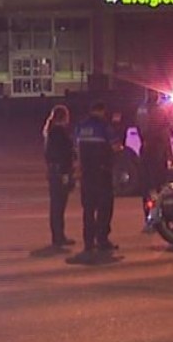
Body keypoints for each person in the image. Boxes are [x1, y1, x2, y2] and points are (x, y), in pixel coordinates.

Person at [74, 101, 120, 254]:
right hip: (102, 173)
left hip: (86, 174)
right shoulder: (104, 126)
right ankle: (102, 240)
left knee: (88, 209)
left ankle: (88, 242)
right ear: (101, 111)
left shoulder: (80, 126)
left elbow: (76, 149)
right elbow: (115, 146)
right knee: (104, 208)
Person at [135, 94, 173, 229]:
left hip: (145, 152)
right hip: (157, 153)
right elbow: (165, 134)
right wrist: (170, 153)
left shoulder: (141, 110)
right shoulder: (160, 111)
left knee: (147, 189)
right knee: (160, 188)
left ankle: (149, 219)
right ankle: (159, 218)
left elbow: (139, 128)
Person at [42, 104, 76, 249]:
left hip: (54, 172)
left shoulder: (51, 132)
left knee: (57, 206)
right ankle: (58, 237)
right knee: (58, 206)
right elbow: (65, 153)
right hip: (60, 172)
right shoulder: (58, 132)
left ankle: (59, 235)